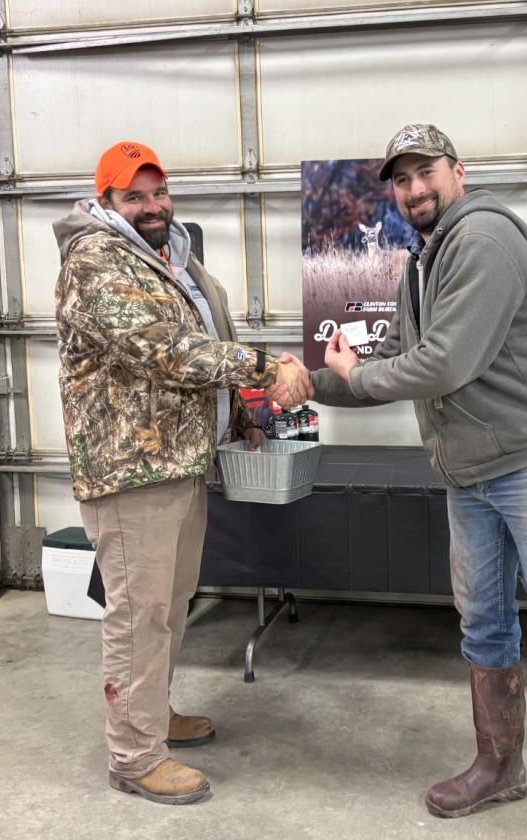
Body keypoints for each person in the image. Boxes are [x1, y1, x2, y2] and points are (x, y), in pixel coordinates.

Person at [308, 124, 527, 839]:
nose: (414, 189)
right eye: (401, 179)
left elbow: (444, 364)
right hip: (471, 473)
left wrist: (356, 374)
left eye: (426, 173)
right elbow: (395, 358)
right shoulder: (423, 261)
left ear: (458, 171)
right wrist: (313, 384)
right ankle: (499, 765)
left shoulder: (482, 240)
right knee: (483, 623)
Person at [54, 140, 311, 806]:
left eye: (159, 192)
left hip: (176, 462)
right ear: (106, 202)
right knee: (139, 615)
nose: (152, 205)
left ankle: (151, 717)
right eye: (134, 196)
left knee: (168, 607)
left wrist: (240, 416)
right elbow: (165, 351)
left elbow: (203, 346)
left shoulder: (168, 257)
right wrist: (265, 368)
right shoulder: (96, 259)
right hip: (131, 472)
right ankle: (134, 756)